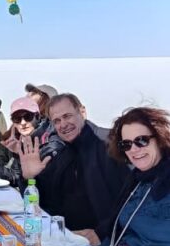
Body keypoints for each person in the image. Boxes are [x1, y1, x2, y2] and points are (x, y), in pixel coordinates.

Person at [18, 92, 127, 234]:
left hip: (107, 244)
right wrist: (29, 179)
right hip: (69, 239)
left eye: (67, 116)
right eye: (56, 121)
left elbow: (132, 201)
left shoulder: (110, 145)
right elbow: (43, 203)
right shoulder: (62, 154)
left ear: (82, 112)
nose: (63, 124)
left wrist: (102, 233)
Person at [101, 106, 170, 246]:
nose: (134, 149)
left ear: (159, 138)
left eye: (142, 140)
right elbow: (122, 230)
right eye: (126, 144)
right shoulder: (139, 180)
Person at [0, 96, 64, 189]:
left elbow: (42, 183)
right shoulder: (20, 141)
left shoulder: (49, 139)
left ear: (37, 116)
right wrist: (18, 153)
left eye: (28, 117)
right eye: (17, 118)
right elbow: (20, 178)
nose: (23, 122)